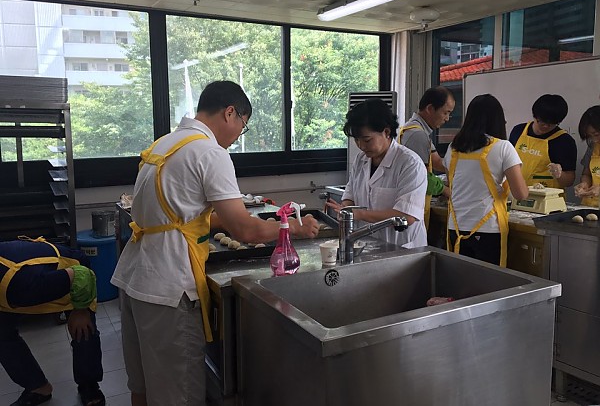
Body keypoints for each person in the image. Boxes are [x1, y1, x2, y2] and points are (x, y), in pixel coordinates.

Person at [111, 80, 319, 406]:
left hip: (135, 278)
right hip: (169, 287)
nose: (238, 137)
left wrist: (262, 221)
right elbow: (244, 231)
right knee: (178, 395)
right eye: (242, 127)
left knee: (143, 387)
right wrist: (293, 227)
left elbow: (189, 215)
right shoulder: (210, 153)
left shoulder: (167, 144)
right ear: (229, 112)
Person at [0, 237, 105, 406]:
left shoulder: (23, 284)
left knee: (83, 331)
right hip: (23, 281)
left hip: (74, 276)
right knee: (2, 335)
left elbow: (82, 274)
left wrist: (80, 310)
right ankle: (38, 387)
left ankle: (88, 385)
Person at [326, 98, 428, 248]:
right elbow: (351, 196)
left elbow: (406, 216)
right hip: (368, 246)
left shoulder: (410, 163)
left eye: (367, 140)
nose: (361, 146)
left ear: (386, 132)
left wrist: (360, 215)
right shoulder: (361, 160)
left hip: (404, 248)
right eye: (357, 140)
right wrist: (346, 209)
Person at [443, 94, 529, 267]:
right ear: (498, 120)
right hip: (487, 229)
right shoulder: (503, 147)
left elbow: (451, 181)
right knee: (489, 287)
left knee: (461, 284)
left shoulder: (453, 148)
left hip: (456, 227)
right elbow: (520, 194)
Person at [397, 86, 454, 227]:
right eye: (445, 113)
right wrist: (447, 191)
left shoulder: (415, 129)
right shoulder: (417, 135)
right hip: (410, 208)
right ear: (430, 108)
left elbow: (437, 162)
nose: (447, 119)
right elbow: (422, 178)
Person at [509, 94, 577, 188]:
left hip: (546, 198)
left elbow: (569, 181)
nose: (545, 126)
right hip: (515, 193)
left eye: (551, 124)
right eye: (541, 122)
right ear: (534, 116)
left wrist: (560, 175)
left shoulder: (564, 142)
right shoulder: (518, 131)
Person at [574, 105, 600, 206]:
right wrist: (585, 184)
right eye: (590, 136)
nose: (594, 140)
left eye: (596, 134)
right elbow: (587, 174)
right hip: (591, 206)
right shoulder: (593, 146)